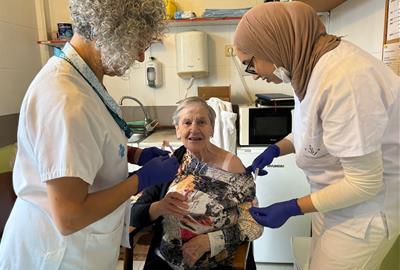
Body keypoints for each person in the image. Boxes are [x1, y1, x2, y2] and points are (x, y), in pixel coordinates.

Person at [0, 0, 180, 269]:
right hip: (57, 254)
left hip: (81, 248)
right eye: (139, 44)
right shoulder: (65, 99)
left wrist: (136, 154)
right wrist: (141, 180)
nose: (141, 57)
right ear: (113, 31)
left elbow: (91, 143)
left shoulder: (82, 79)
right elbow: (69, 216)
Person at [234, 2, 399, 270]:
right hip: (333, 201)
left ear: (271, 44)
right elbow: (313, 130)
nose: (254, 75)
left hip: (364, 214)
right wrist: (277, 149)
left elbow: (365, 184)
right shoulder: (308, 67)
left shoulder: (346, 79)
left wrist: (291, 207)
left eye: (250, 65)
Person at [130, 97, 263, 270]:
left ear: (212, 129)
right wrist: (160, 207)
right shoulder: (169, 165)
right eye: (187, 122)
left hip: (216, 263)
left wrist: (210, 241)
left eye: (201, 122)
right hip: (166, 262)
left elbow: (254, 224)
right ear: (177, 130)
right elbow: (134, 214)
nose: (194, 128)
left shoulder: (233, 167)